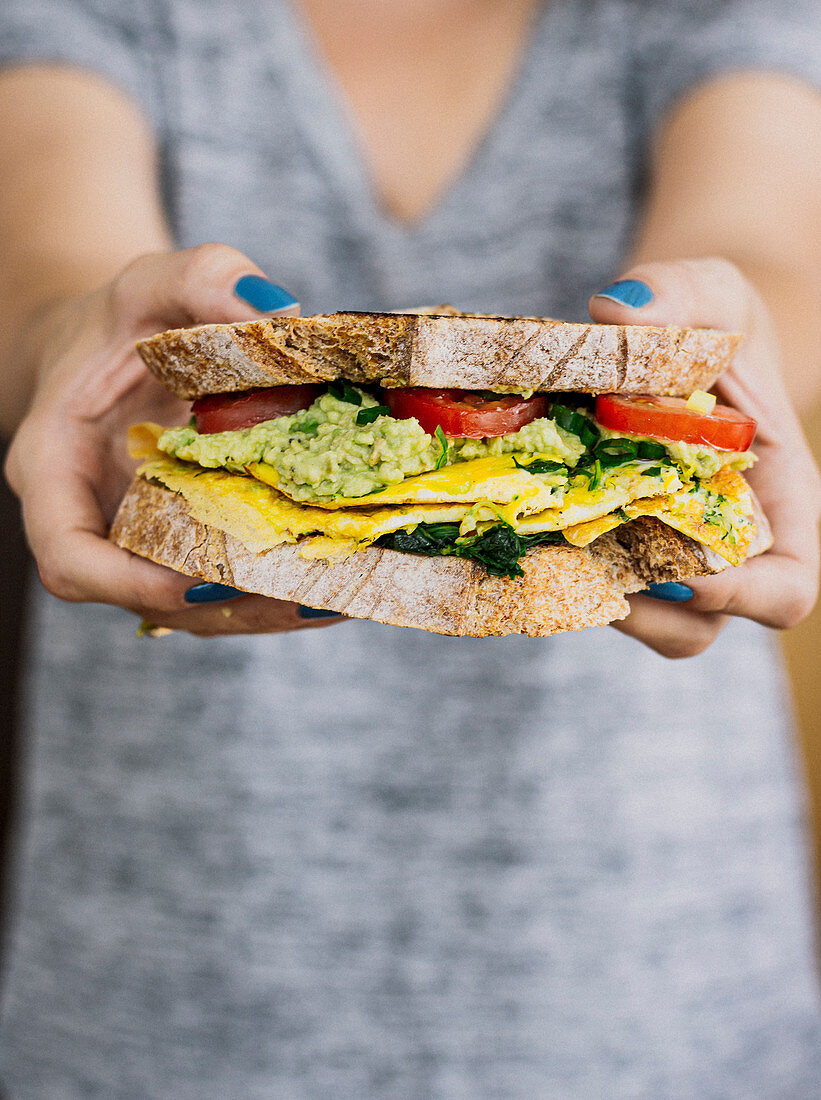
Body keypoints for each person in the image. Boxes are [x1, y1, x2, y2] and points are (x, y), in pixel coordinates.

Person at [1, 0, 820, 1096]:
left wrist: (735, 329)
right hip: (168, 949)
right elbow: (45, 255)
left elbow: (768, 242)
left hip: (643, 951)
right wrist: (65, 332)